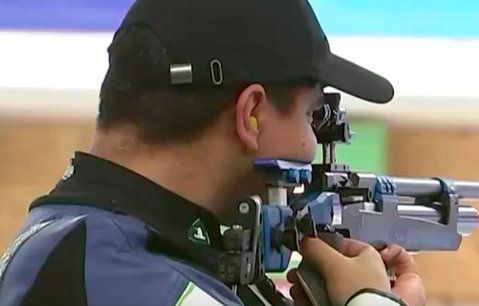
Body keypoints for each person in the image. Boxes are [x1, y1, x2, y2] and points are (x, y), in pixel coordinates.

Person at [0, 0, 425, 305]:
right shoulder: (123, 270)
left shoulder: (89, 243)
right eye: (312, 115)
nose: (311, 146)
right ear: (252, 114)